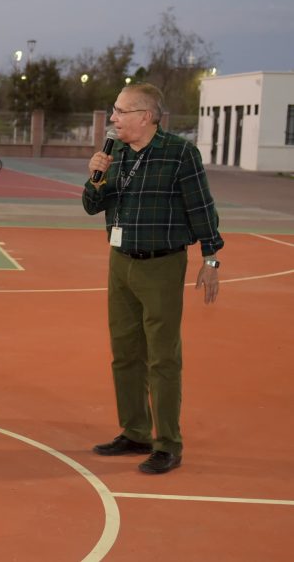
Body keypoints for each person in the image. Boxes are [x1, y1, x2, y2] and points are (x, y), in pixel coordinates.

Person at [83, 82, 224, 475]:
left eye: (120, 112)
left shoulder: (179, 154)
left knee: (162, 357)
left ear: (145, 116)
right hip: (120, 262)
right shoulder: (118, 156)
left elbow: (201, 207)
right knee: (125, 352)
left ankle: (168, 443)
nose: (113, 119)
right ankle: (135, 431)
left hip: (162, 265)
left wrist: (210, 258)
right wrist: (96, 175)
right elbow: (91, 206)